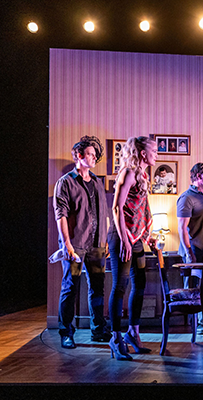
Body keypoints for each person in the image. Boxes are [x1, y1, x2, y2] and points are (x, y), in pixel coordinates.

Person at [53, 135, 111, 349]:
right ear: (79, 155)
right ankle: (66, 333)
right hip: (75, 244)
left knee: (97, 288)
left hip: (96, 245)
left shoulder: (97, 182)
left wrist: (104, 242)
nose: (94, 158)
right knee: (70, 287)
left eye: (95, 155)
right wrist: (66, 244)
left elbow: (102, 213)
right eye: (90, 154)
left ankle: (98, 330)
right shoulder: (65, 182)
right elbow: (61, 214)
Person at [108, 136, 157, 360]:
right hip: (122, 237)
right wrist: (125, 240)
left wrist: (148, 236)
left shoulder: (144, 175)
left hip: (136, 239)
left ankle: (133, 333)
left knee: (140, 284)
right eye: (153, 151)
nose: (157, 154)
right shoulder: (127, 172)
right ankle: (115, 338)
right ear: (142, 153)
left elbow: (141, 209)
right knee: (120, 286)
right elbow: (117, 208)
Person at [177, 163, 203, 274]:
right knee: (193, 288)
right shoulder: (186, 198)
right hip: (194, 251)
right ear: (199, 176)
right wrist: (189, 253)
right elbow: (182, 228)